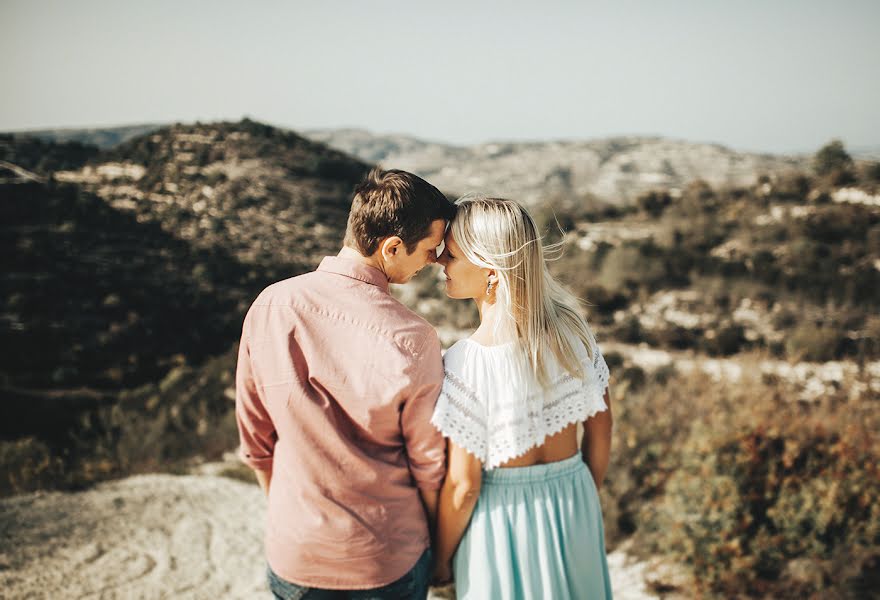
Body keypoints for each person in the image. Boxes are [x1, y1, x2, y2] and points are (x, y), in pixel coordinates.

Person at [235, 168, 456, 599]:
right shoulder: (413, 338)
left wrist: (294, 517)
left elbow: (255, 442)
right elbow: (429, 466)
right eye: (430, 250)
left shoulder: (271, 304)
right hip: (386, 559)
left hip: (296, 553)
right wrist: (436, 550)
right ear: (392, 248)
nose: (434, 262)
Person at [430, 196, 614, 599]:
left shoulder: (466, 363)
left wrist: (440, 561)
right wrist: (581, 497)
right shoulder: (573, 333)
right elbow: (601, 432)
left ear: (491, 272)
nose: (440, 260)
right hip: (574, 507)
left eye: (454, 254)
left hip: (501, 526)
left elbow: (464, 487)